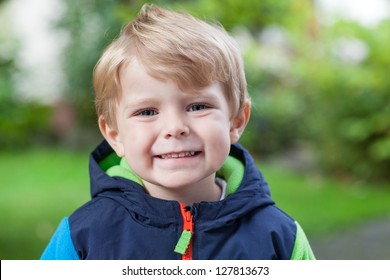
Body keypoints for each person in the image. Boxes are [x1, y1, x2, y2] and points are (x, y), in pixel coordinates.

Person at [41, 4, 315, 260]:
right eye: (147, 112)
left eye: (197, 106)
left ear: (236, 121)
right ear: (115, 135)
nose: (174, 128)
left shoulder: (280, 238)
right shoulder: (81, 238)